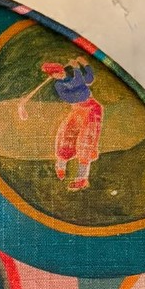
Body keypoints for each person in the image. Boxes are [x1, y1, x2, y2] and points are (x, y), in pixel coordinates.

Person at [41, 57, 104, 191]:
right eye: (56, 73)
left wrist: (84, 64)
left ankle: (81, 179)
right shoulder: (59, 85)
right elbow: (72, 97)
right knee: (65, 135)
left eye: (61, 71)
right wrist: (76, 69)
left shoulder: (74, 77)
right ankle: (61, 166)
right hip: (77, 110)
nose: (60, 74)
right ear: (53, 76)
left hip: (92, 109)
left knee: (86, 141)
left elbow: (90, 79)